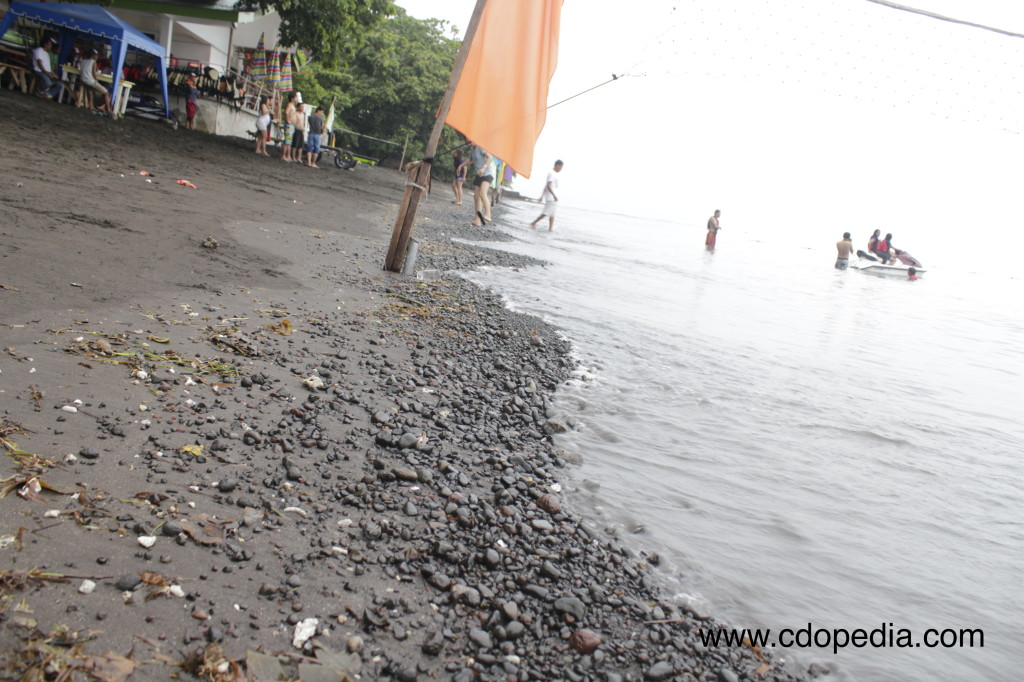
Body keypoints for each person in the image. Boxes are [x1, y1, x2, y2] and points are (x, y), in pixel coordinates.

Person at [530, 160, 564, 231]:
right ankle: (533, 223)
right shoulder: (551, 173)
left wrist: (542, 196)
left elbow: (546, 186)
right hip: (551, 197)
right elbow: (548, 185)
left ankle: (550, 229)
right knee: (546, 213)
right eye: (561, 167)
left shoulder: (554, 174)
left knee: (552, 215)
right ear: (557, 165)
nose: (561, 169)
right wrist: (554, 195)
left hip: (553, 198)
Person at [78, 48, 112, 115]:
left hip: (82, 80)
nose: (97, 57)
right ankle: (108, 109)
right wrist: (97, 81)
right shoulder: (93, 62)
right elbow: (94, 74)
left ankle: (91, 106)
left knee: (90, 91)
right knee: (106, 92)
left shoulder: (83, 61)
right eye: (96, 55)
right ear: (93, 56)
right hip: (90, 81)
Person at [469, 144, 493, 226]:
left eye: (469, 141)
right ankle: (477, 220)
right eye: (466, 141)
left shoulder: (480, 147)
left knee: (482, 194)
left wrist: (483, 168)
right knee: (476, 197)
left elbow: (490, 158)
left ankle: (488, 214)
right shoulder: (473, 149)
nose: (468, 143)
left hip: (487, 174)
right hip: (479, 174)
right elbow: (471, 160)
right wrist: (461, 166)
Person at [280, 92, 297, 162]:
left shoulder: (292, 105)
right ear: (292, 98)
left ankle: (288, 155)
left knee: (289, 141)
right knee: (287, 141)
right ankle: (283, 155)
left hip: (292, 125)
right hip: (289, 125)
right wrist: (288, 120)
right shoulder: (289, 105)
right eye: (296, 97)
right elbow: (286, 112)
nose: (297, 99)